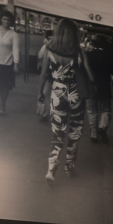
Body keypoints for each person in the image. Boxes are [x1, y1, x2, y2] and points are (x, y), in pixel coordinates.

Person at [43, 20, 85, 183]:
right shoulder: (78, 53)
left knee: (57, 133)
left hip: (58, 94)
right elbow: (87, 75)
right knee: (74, 131)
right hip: (75, 95)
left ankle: (51, 169)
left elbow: (44, 74)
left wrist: (40, 94)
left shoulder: (49, 50)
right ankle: (69, 167)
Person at [80, 33, 113, 143]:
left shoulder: (89, 55)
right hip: (105, 86)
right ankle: (102, 127)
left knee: (92, 110)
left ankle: (93, 133)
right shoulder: (110, 55)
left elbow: (83, 69)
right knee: (106, 110)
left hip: (91, 85)